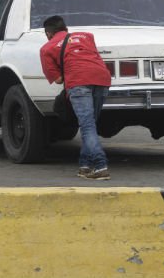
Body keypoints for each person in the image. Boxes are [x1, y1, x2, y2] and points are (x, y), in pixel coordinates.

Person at [39, 15, 112, 180]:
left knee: (87, 126)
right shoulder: (86, 37)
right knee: (90, 125)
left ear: (48, 33)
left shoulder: (47, 48)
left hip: (79, 83)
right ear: (65, 29)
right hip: (102, 79)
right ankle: (84, 166)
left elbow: (58, 79)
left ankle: (101, 166)